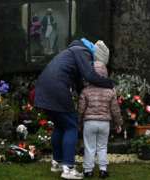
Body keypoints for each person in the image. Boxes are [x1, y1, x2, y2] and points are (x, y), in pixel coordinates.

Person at [34, 38, 115, 180]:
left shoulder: (73, 51)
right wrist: (109, 84)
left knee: (60, 125)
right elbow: (89, 75)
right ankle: (68, 168)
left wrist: (87, 93)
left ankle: (57, 162)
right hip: (56, 88)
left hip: (42, 89)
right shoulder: (83, 52)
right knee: (71, 126)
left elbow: (79, 83)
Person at [78, 41, 123, 179]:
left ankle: (88, 170)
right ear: (105, 74)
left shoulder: (85, 91)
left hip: (89, 123)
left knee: (89, 146)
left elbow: (81, 109)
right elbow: (115, 109)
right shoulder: (110, 91)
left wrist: (79, 122)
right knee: (102, 147)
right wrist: (118, 123)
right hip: (104, 124)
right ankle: (103, 169)